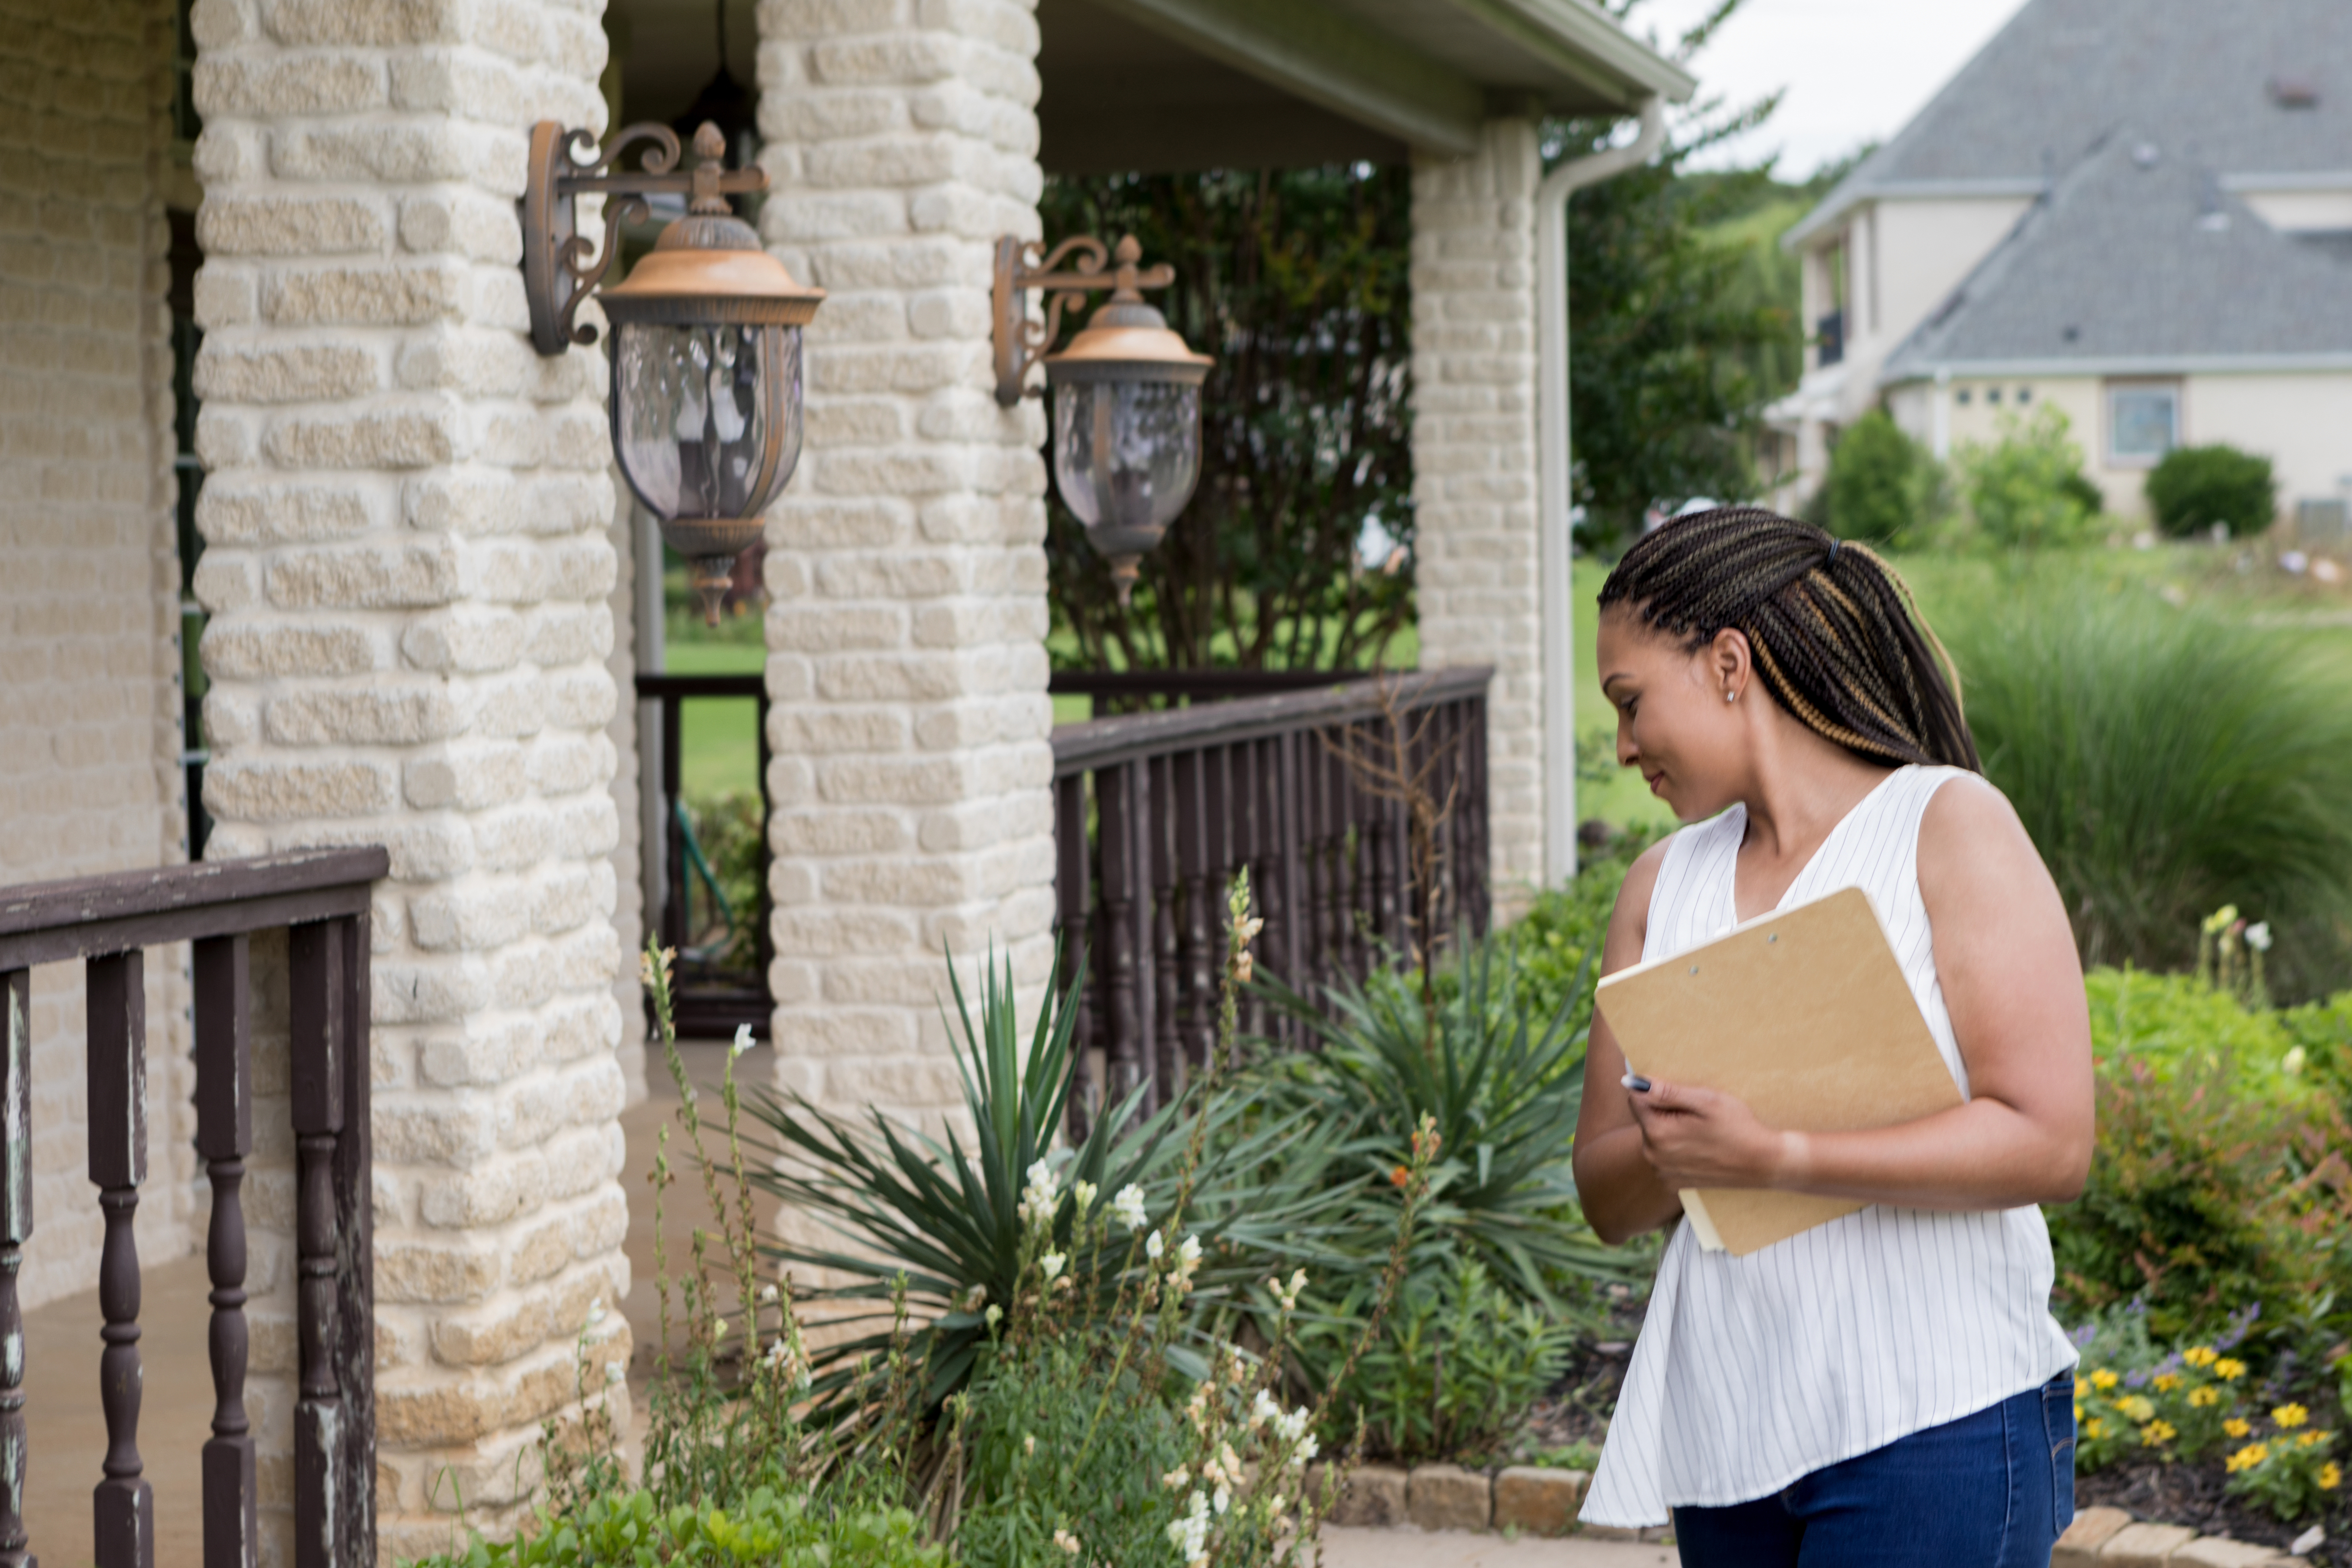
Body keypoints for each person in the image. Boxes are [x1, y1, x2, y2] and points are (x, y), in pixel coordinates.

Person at [1572, 508, 2092, 1566]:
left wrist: (1776, 1154)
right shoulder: (1657, 888)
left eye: (1630, 704)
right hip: (1733, 1438)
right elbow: (1603, 1195)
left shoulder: (1946, 826)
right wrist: (1682, 1149)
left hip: (1936, 1419)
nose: (1623, 747)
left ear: (1727, 664)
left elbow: (2048, 1141)